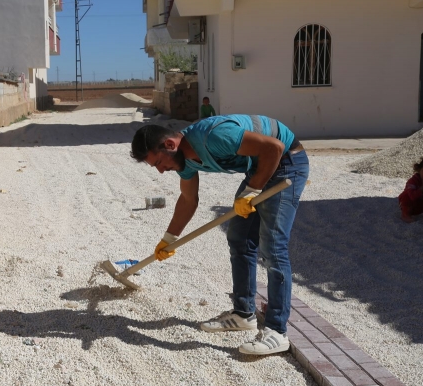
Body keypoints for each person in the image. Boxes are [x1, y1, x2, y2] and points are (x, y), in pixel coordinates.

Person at [131, 115, 309, 355]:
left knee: (273, 247)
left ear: (170, 145)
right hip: (262, 165)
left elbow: (274, 147)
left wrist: (253, 189)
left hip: (287, 161)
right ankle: (243, 313)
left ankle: (277, 332)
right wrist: (169, 239)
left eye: (160, 163)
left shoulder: (213, 136)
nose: (162, 171)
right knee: (239, 237)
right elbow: (188, 199)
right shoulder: (185, 161)